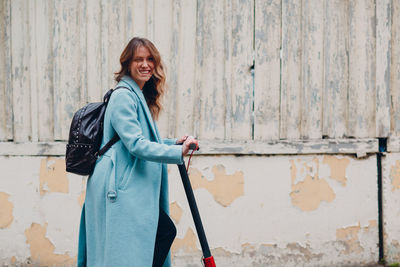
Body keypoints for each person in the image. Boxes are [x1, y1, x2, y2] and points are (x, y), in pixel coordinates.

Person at [77, 37, 199, 267]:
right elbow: (135, 144)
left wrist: (174, 144)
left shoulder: (136, 95)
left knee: (153, 238)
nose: (145, 64)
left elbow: (137, 140)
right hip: (120, 186)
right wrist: (176, 153)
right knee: (128, 251)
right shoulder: (124, 95)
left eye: (150, 59)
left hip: (127, 182)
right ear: (127, 64)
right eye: (139, 59)